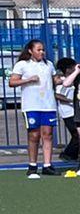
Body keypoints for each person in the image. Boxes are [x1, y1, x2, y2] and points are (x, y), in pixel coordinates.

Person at [10, 40, 57, 177]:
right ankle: (32, 165)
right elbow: (12, 82)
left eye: (43, 50)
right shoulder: (22, 65)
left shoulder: (49, 65)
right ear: (30, 51)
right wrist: (28, 80)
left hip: (48, 104)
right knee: (34, 135)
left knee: (48, 134)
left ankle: (47, 165)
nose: (42, 52)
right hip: (31, 105)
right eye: (38, 49)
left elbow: (55, 80)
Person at [53, 56, 78, 164]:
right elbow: (57, 95)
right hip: (67, 112)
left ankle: (73, 154)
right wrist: (70, 101)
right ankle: (68, 154)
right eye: (73, 67)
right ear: (68, 69)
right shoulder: (62, 81)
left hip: (74, 111)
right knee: (77, 134)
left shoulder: (73, 79)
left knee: (78, 134)